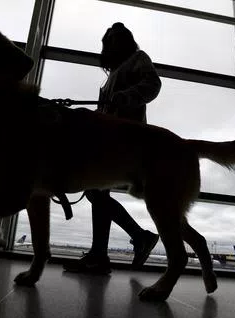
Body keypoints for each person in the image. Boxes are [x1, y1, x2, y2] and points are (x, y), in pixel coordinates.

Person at [64, 22, 162, 274]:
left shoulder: (137, 59)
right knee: (97, 193)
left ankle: (126, 243)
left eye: (111, 40)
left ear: (123, 41)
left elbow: (153, 85)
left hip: (124, 140)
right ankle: (107, 251)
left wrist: (126, 96)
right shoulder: (114, 73)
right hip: (109, 140)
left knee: (96, 192)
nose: (106, 45)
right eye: (106, 41)